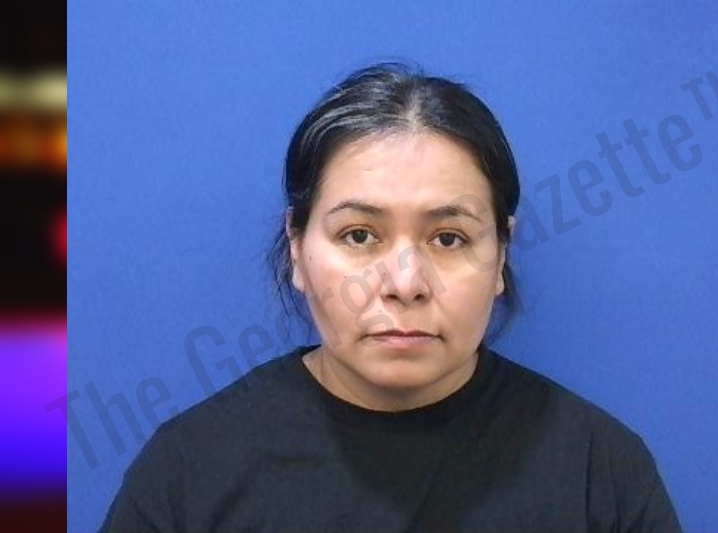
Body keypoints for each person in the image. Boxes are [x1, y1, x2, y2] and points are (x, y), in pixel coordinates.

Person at [99, 62, 683, 533]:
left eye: (449, 238)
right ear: (297, 248)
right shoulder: (190, 472)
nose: (405, 284)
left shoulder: (600, 472)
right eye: (359, 235)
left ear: (500, 256)